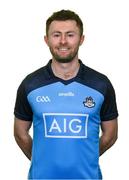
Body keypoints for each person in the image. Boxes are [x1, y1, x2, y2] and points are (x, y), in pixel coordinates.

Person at [14, 9, 118, 179]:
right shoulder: (30, 84)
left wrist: (87, 157)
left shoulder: (100, 84)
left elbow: (111, 135)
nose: (63, 41)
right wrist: (41, 160)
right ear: (46, 40)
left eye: (70, 35)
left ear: (81, 39)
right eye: (56, 35)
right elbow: (20, 133)